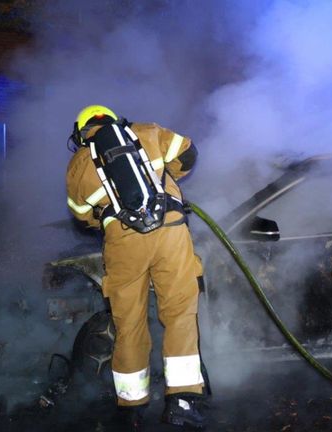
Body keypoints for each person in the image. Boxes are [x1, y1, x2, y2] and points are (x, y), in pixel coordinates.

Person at [65, 105, 205, 430]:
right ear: (114, 120)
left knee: (128, 325)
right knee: (180, 315)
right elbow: (188, 154)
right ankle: (182, 404)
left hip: (123, 242)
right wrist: (167, 180)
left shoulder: (78, 164)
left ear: (81, 133)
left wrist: (111, 217)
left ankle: (131, 410)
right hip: (171, 231)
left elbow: (82, 215)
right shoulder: (147, 131)